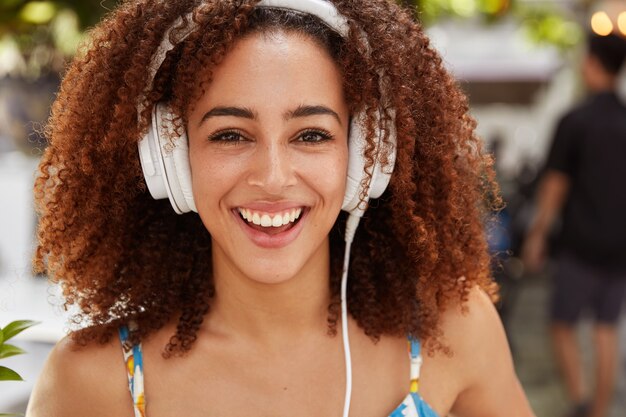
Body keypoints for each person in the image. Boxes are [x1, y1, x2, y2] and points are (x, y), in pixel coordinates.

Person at [27, 1, 535, 416]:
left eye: (311, 135)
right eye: (230, 135)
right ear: (170, 161)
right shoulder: (90, 383)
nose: (272, 178)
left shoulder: (452, 334)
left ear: (366, 157)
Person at [523, 32, 626, 417]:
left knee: (561, 322)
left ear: (593, 64)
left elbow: (554, 186)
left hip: (581, 243)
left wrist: (537, 234)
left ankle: (580, 401)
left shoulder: (575, 120)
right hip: (620, 245)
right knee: (606, 329)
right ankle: (599, 411)